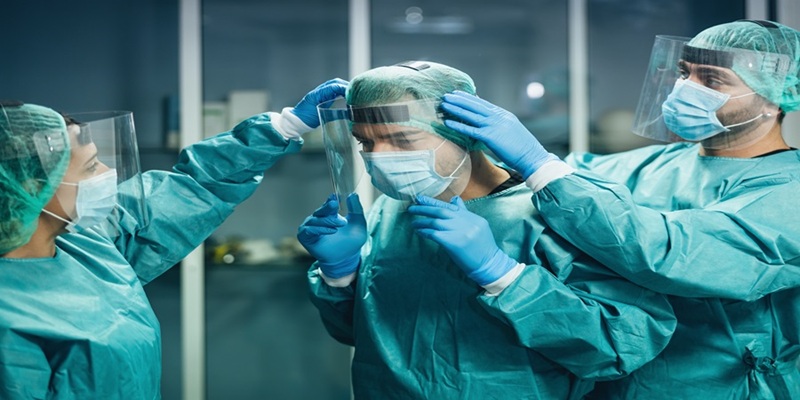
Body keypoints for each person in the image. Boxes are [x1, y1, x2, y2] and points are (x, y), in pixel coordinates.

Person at [440, 20, 800, 398]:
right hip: (616, 383)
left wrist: (538, 164)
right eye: (683, 73)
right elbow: (567, 186)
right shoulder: (649, 164)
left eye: (712, 80)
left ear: (778, 95)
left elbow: (671, 253)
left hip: (719, 386)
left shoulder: (789, 191)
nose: (685, 89)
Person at [297, 61, 676, 399]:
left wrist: (504, 276)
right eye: (366, 141)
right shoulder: (391, 210)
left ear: (464, 132)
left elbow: (618, 348)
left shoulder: (549, 216)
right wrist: (340, 275)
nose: (378, 157)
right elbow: (366, 335)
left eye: (402, 140)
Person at [0, 78, 347, 399]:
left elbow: (193, 188)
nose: (108, 174)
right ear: (32, 189)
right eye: (91, 167)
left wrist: (284, 127)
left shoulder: (89, 243)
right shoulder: (8, 314)